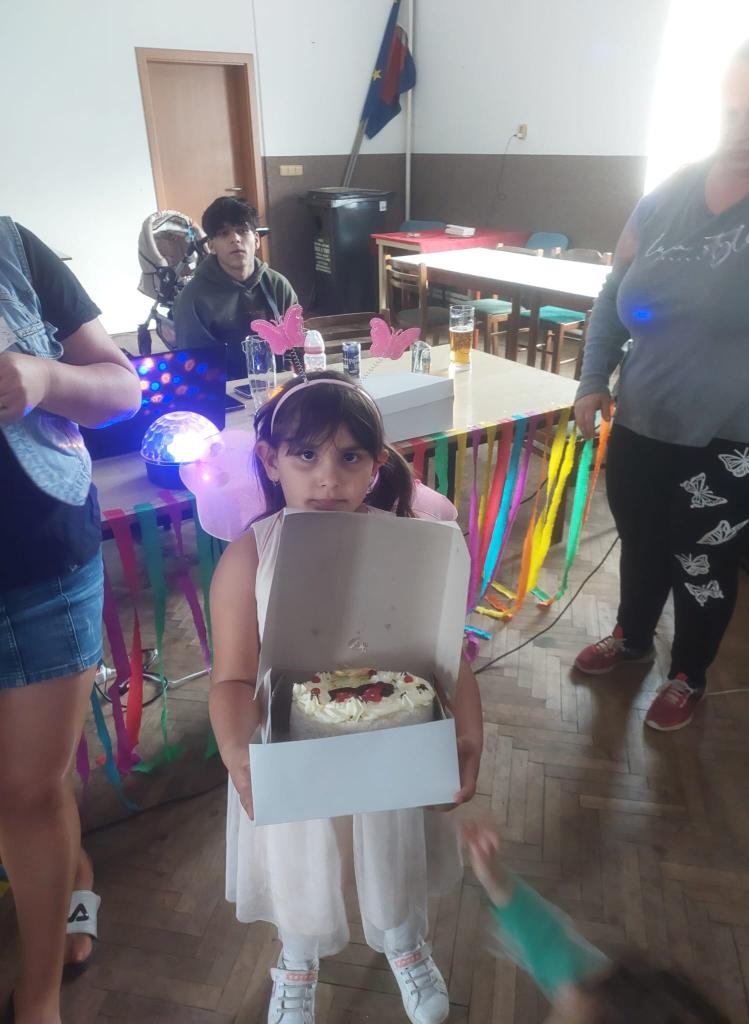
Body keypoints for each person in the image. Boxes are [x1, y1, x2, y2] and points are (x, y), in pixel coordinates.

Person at [208, 370, 483, 1024]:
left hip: (392, 739)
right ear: (271, 460)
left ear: (376, 464)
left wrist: (469, 735)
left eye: (349, 457)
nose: (327, 478)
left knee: (391, 854)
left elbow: (446, 658)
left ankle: (404, 942)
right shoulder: (250, 557)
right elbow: (233, 678)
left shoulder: (407, 544)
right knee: (303, 862)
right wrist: (238, 754)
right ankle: (297, 960)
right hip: (290, 750)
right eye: (306, 455)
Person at [572, 29, 749, 731]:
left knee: (702, 559)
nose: (741, 130)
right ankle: (632, 638)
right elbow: (613, 292)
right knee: (641, 540)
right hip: (641, 417)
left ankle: (689, 672)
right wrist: (592, 378)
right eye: (731, 112)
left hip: (733, 437)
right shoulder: (667, 196)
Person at [0, 217, 141, 1024]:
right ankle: (71, 871)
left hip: (39, 566)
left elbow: (124, 390)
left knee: (27, 789)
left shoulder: (12, 248)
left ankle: (40, 993)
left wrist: (43, 377)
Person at [462, 820, 730, 1024]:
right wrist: (494, 877)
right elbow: (549, 942)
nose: (567, 991)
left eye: (563, 1015)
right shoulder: (599, 988)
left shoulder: (598, 998)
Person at [173, 196, 298, 378]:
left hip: (278, 384)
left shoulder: (278, 285)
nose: (235, 239)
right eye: (224, 233)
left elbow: (295, 346)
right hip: (223, 389)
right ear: (211, 246)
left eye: (242, 230)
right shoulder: (192, 299)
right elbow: (196, 365)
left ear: (256, 240)